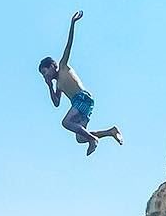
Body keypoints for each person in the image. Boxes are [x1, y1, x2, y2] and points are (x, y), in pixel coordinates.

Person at [38, 11, 123, 157]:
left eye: (45, 72)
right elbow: (56, 103)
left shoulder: (63, 66)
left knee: (66, 123)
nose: (46, 76)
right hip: (80, 104)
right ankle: (111, 132)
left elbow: (68, 45)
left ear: (52, 66)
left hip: (82, 98)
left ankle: (93, 139)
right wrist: (49, 86)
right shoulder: (57, 84)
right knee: (80, 137)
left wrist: (72, 23)